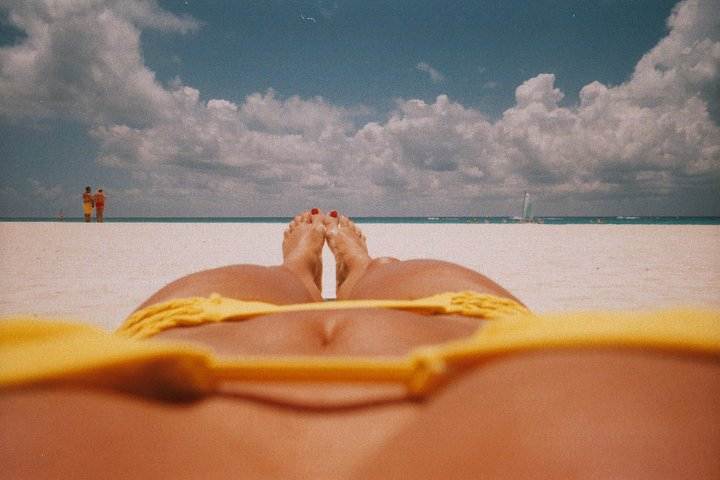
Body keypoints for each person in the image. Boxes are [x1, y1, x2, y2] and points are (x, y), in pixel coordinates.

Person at [1, 209, 718, 479]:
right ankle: (363, 271)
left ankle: (299, 274)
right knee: (397, 274)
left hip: (199, 326)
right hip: (463, 324)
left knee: (271, 283)